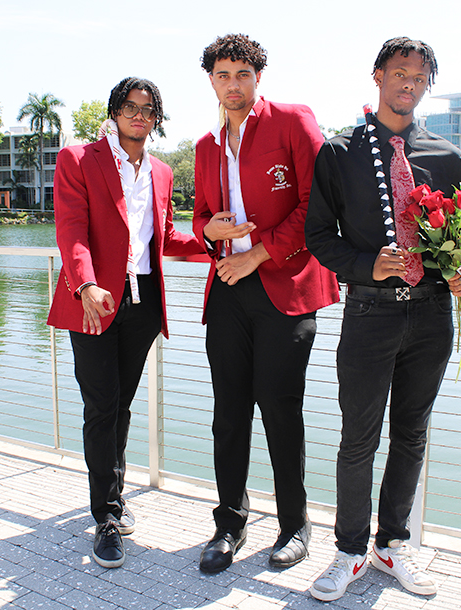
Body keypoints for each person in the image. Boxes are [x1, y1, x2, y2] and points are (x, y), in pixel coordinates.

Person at [305, 37, 461, 600]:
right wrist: (366, 265)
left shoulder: (446, 156)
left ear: (427, 84)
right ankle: (349, 551)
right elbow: (316, 238)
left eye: (419, 76)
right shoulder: (339, 152)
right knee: (358, 436)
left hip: (432, 319)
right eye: (399, 72)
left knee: (411, 435)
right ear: (377, 76)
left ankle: (391, 545)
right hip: (369, 316)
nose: (409, 83)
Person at [193, 33, 339, 574]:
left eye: (242, 75)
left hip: (286, 284)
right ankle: (228, 524)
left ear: (258, 78)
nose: (232, 85)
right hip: (228, 288)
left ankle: (294, 526)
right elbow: (201, 215)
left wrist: (260, 253)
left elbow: (318, 205)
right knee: (228, 413)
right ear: (210, 80)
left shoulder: (293, 122)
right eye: (222, 75)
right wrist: (208, 230)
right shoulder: (206, 146)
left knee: (280, 409)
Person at [47, 77, 203, 569]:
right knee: (101, 407)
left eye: (148, 110)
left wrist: (220, 245)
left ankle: (112, 493)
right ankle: (107, 517)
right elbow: (71, 229)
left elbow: (165, 237)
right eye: (130, 107)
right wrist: (86, 284)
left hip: (140, 307)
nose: (139, 116)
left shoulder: (159, 171)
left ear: (155, 119)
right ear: (114, 113)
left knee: (122, 406)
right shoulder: (79, 159)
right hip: (95, 302)